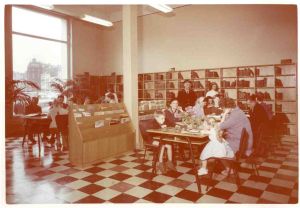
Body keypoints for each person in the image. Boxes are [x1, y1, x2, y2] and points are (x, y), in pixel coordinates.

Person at [218, 97, 253, 174]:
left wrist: (224, 114)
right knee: (222, 139)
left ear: (227, 107)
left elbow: (220, 126)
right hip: (244, 141)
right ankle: (229, 165)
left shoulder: (235, 115)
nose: (222, 110)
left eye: (223, 108)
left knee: (217, 147)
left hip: (242, 145)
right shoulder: (238, 111)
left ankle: (229, 169)